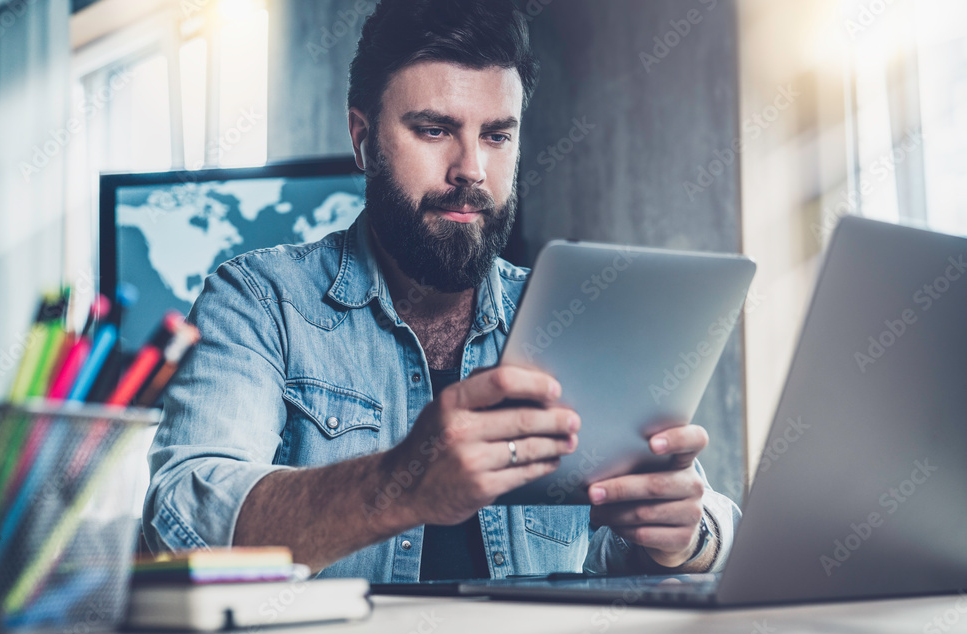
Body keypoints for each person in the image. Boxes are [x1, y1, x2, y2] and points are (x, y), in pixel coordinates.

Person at [143, 0, 741, 582]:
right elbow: (179, 523)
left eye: (498, 135)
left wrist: (685, 538)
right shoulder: (259, 301)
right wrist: (397, 485)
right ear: (363, 138)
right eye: (434, 130)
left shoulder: (574, 315)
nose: (471, 169)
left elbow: (647, 536)